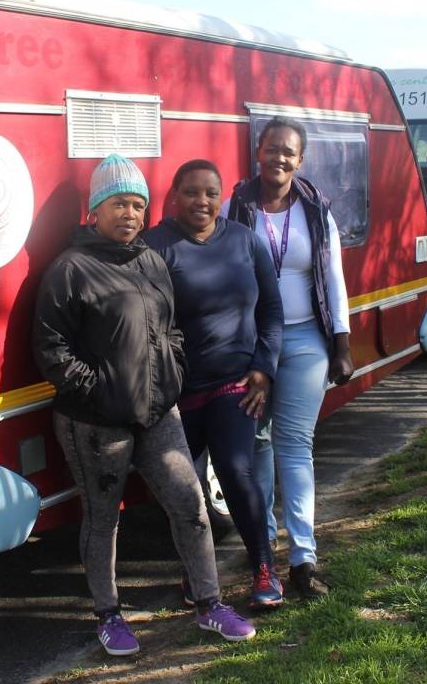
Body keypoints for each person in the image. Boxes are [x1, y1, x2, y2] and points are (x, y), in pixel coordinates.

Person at [33, 153, 256, 657]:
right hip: (94, 423)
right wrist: (100, 390)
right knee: (103, 518)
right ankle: (108, 615)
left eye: (137, 205)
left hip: (158, 412)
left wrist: (171, 372)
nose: (130, 215)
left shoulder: (152, 260)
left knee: (190, 504)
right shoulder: (70, 269)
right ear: (95, 210)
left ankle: (209, 604)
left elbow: (170, 328)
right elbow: (52, 349)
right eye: (118, 204)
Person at [144, 159, 286, 610]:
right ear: (174, 195)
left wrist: (264, 368)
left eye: (210, 193)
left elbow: (272, 312)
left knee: (235, 469)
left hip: (235, 382)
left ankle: (263, 566)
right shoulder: (155, 247)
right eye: (191, 192)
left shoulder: (244, 241)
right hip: (177, 392)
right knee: (184, 489)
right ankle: (196, 571)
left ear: (220, 197)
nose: (201, 201)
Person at [225, 117, 354, 599]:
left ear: (300, 161)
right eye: (272, 148)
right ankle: (264, 558)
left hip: (304, 342)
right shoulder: (235, 206)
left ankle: (303, 558)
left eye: (289, 152)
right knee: (256, 445)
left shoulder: (317, 211)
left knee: (294, 445)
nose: (279, 157)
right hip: (251, 344)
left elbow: (334, 279)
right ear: (258, 151)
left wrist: (341, 344)